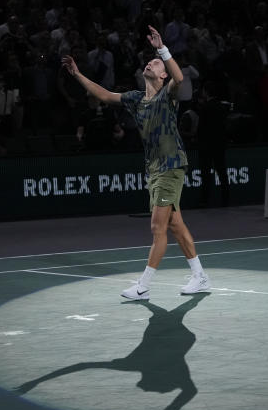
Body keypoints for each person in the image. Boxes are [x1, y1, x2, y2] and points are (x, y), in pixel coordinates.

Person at [62, 25, 209, 301]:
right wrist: (78, 74)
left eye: (155, 63)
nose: (150, 64)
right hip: (153, 170)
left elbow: (178, 76)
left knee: (157, 227)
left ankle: (143, 286)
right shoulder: (135, 99)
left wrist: (162, 50)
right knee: (175, 225)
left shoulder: (168, 95)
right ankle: (200, 276)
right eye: (150, 61)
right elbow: (104, 94)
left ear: (162, 74)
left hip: (171, 166)